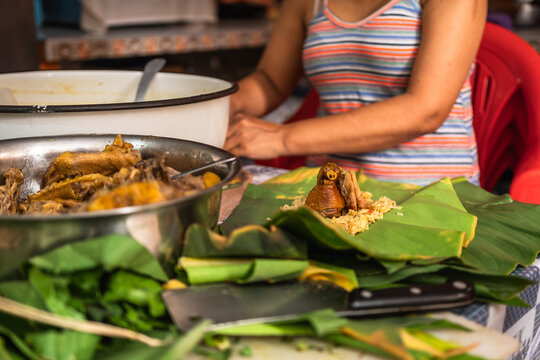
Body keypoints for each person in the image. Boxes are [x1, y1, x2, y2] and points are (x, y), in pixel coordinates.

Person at [224, 0, 487, 185]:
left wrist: (282, 138)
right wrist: (214, 104)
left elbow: (426, 110)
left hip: (428, 193)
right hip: (329, 188)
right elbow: (270, 82)